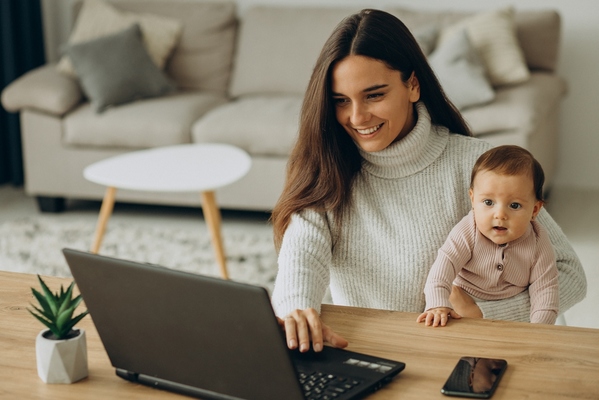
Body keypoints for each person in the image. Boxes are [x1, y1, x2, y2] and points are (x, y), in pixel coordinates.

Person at [270, 9, 585, 353]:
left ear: (413, 86)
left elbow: (569, 274)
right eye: (341, 101)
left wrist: (489, 313)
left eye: (374, 94)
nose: (357, 117)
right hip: (377, 352)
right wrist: (296, 311)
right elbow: (300, 258)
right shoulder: (327, 172)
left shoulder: (477, 165)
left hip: (470, 351)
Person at [417, 145, 559, 327]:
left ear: (535, 210)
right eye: (488, 202)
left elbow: (546, 288)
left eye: (514, 205)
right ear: (473, 199)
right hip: (462, 304)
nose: (499, 215)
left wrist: (540, 326)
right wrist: (437, 304)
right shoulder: (468, 230)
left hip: (512, 310)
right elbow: (442, 268)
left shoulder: (538, 240)